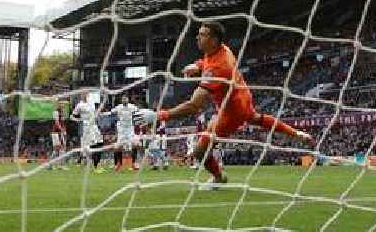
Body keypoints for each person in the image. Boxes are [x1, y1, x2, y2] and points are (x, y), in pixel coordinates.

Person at [135, 22, 312, 189]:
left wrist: (159, 115)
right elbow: (207, 62)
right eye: (198, 34)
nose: (197, 38)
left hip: (231, 113)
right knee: (256, 118)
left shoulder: (219, 68)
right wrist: (197, 65)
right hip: (243, 97)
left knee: (199, 152)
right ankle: (295, 132)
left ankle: (219, 178)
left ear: (213, 40)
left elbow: (194, 105)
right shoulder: (220, 50)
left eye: (202, 35)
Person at [71, 93, 104, 173]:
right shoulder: (79, 105)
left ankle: (97, 164)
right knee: (92, 145)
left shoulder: (91, 102)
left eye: (86, 94)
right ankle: (94, 166)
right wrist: (79, 120)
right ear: (81, 95)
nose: (85, 95)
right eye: (83, 94)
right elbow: (72, 116)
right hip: (87, 126)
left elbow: (95, 111)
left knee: (100, 143)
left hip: (94, 125)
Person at [104, 95, 139, 171]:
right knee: (117, 147)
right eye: (123, 99)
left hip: (130, 129)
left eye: (126, 99)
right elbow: (110, 112)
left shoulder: (132, 107)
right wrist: (102, 113)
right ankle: (118, 164)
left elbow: (138, 112)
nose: (124, 100)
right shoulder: (118, 107)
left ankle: (134, 163)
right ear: (121, 100)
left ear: (128, 99)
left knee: (135, 144)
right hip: (121, 130)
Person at [50, 101, 69, 170]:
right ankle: (61, 165)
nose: (63, 105)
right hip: (57, 132)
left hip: (56, 132)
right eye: (61, 104)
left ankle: (50, 165)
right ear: (58, 105)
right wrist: (62, 130)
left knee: (56, 149)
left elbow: (62, 122)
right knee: (62, 148)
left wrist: (64, 129)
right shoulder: (56, 112)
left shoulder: (61, 113)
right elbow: (57, 123)